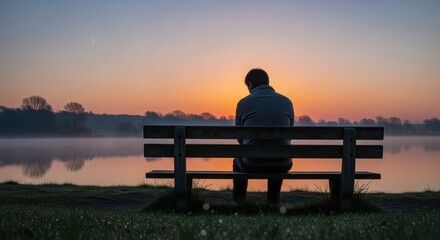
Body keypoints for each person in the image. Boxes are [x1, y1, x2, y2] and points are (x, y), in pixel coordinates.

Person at [233, 68, 294, 203]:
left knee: (238, 156)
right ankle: (273, 202)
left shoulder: (243, 103)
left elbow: (240, 138)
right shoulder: (286, 101)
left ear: (250, 84)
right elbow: (289, 136)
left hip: (251, 163)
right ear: (267, 82)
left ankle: (239, 203)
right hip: (282, 164)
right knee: (278, 153)